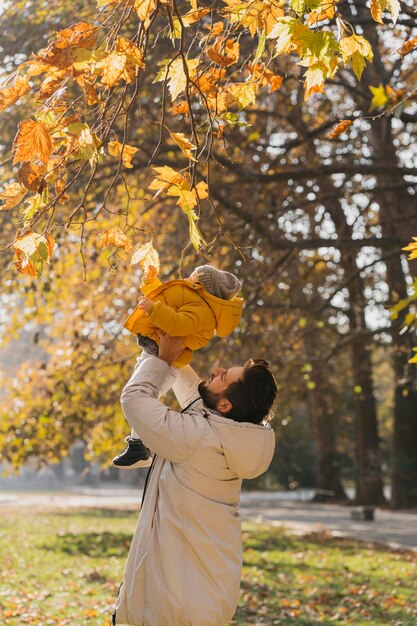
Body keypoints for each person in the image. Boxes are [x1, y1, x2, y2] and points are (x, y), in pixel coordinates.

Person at [112, 332, 278, 626]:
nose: (214, 370)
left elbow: (135, 399)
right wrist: (173, 346)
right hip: (205, 600)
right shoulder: (230, 434)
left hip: (173, 607)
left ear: (225, 404)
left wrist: (162, 358)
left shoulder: (196, 437)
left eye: (223, 376)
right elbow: (194, 395)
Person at [112, 264, 243, 470]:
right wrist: (150, 281)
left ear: (203, 284)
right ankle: (138, 445)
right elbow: (164, 296)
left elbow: (179, 324)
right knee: (144, 393)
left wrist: (153, 310)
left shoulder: (203, 311)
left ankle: (139, 447)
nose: (189, 277)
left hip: (169, 361)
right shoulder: (189, 295)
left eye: (195, 276)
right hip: (152, 350)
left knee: (146, 397)